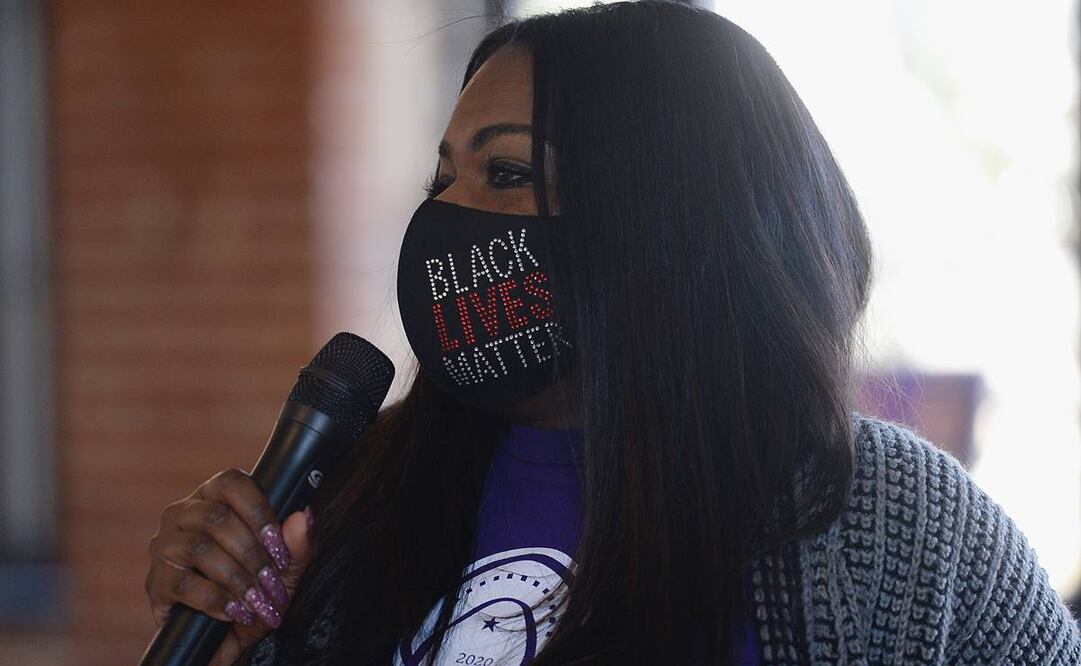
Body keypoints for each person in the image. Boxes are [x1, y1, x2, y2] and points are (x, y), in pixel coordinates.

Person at [142, 2, 1081, 664]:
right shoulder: (351, 501)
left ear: (671, 219)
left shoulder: (894, 528)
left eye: (505, 177)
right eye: (443, 182)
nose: (445, 220)